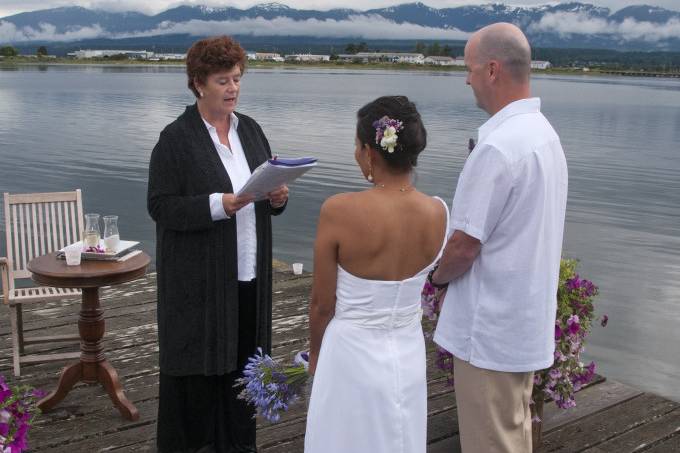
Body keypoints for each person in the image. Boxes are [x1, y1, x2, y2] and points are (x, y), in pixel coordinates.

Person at [430, 23, 568, 452]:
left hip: (490, 331)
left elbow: (464, 245)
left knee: (491, 443)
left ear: (492, 70)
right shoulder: (544, 135)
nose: (466, 79)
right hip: (524, 325)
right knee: (514, 435)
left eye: (469, 69)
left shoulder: (498, 148)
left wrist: (434, 279)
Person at [147, 36, 288, 453]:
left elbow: (266, 185)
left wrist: (279, 198)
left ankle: (238, 446)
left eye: (237, 79)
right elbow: (160, 206)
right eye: (223, 80)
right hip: (199, 286)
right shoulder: (175, 139)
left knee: (244, 371)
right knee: (199, 374)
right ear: (198, 84)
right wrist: (217, 205)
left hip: (249, 275)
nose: (233, 88)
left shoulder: (251, 130)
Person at [304, 96, 448, 453]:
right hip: (407, 350)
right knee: (398, 436)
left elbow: (322, 304)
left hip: (350, 354)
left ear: (371, 152)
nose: (356, 154)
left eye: (356, 145)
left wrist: (316, 356)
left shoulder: (339, 211)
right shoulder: (438, 212)